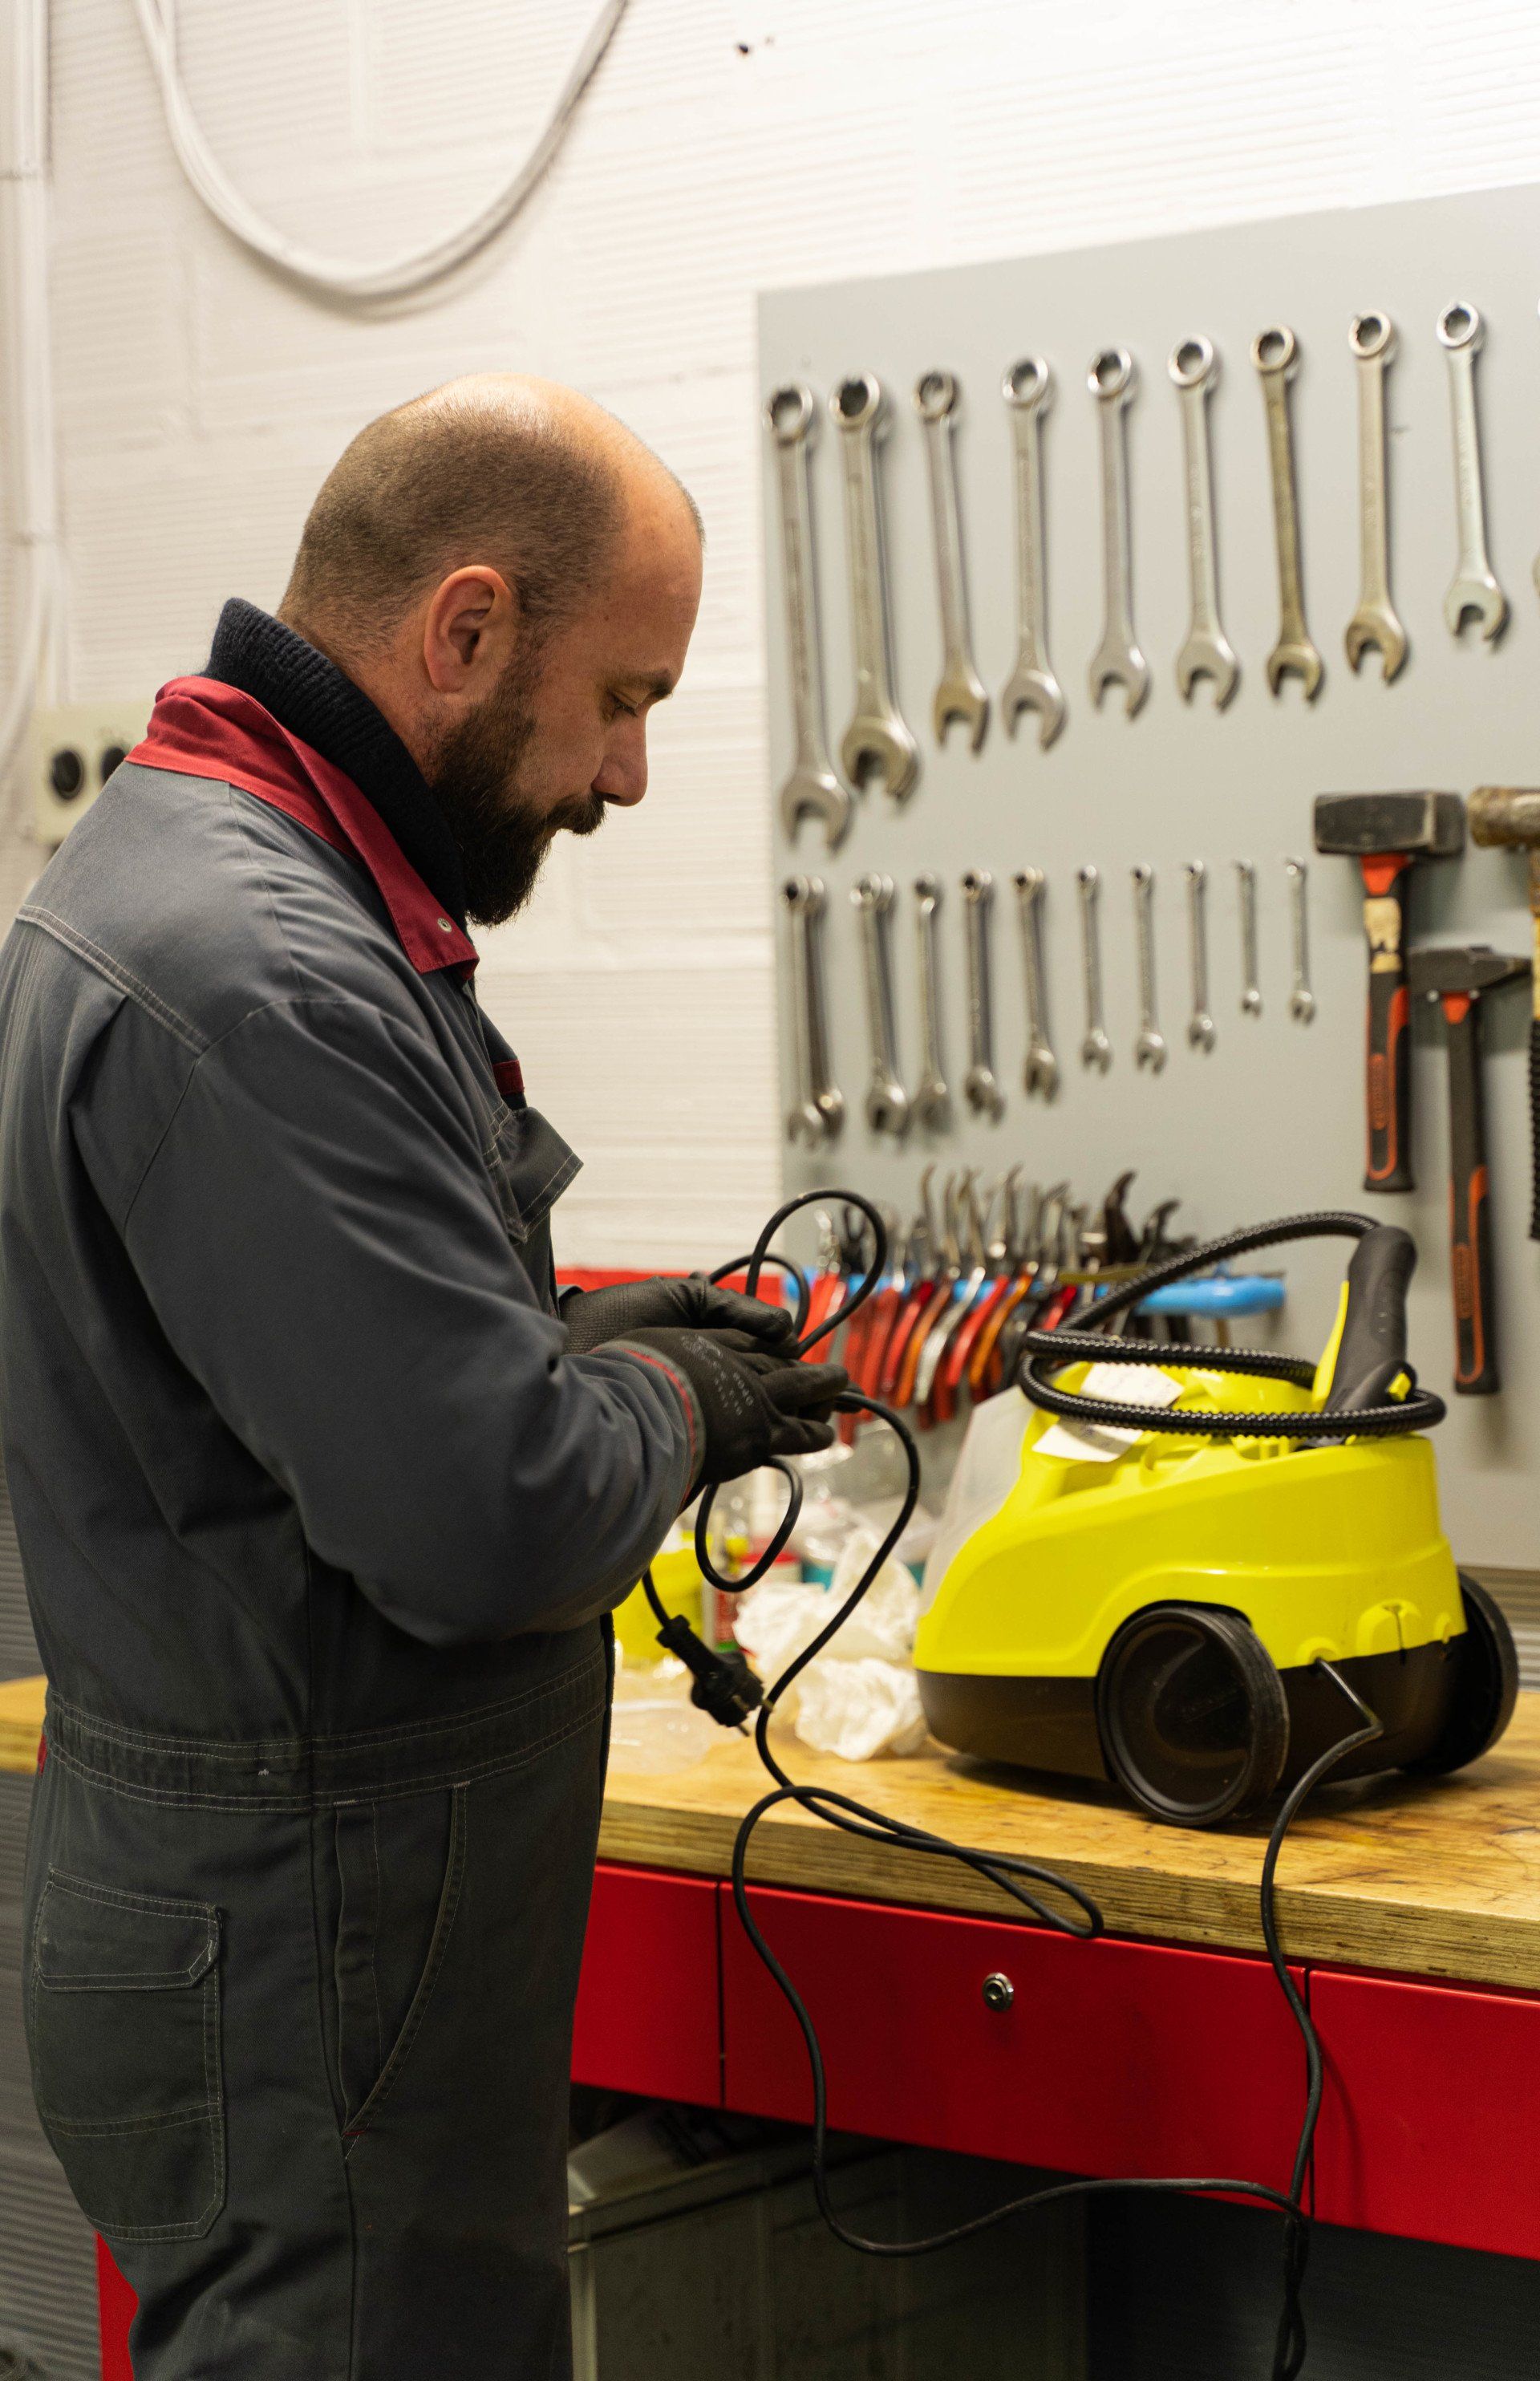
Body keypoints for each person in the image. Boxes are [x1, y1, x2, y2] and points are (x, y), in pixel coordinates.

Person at [0, 375, 844, 2379]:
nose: (629, 772)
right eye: (620, 698)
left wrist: (555, 1350)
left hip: (296, 1947)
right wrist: (670, 1412)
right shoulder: (260, 964)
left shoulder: (200, 864)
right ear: (465, 629)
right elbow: (478, 1523)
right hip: (312, 1969)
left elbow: (292, 1397)